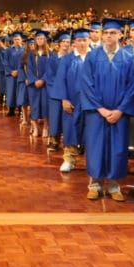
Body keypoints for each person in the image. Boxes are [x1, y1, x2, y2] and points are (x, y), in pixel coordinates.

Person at [80, 19, 134, 201]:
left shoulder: (128, 59)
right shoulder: (92, 57)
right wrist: (101, 109)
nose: (109, 36)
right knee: (96, 147)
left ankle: (114, 185)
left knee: (117, 148)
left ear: (120, 35)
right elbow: (87, 85)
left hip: (119, 114)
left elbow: (132, 87)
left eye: (113, 33)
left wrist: (120, 110)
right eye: (106, 33)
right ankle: (94, 184)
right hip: (97, 114)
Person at [52, 27, 91, 174]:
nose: (82, 43)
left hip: (90, 102)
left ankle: (91, 161)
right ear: (74, 42)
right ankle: (69, 159)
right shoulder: (68, 59)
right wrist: (64, 99)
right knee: (70, 129)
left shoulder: (94, 57)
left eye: (84, 40)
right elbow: (60, 79)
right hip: (72, 101)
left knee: (91, 131)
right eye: (79, 40)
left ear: (89, 40)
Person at [22, 29, 51, 138]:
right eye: (38, 38)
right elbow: (28, 69)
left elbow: (51, 70)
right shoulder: (30, 54)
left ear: (45, 40)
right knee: (34, 106)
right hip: (33, 85)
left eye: (42, 38)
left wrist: (43, 80)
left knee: (45, 105)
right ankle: (35, 127)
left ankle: (45, 127)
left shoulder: (49, 54)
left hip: (45, 85)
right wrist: (34, 80)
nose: (39, 40)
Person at [44, 32, 70, 152]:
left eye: (68, 42)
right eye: (63, 42)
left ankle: (69, 143)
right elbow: (50, 76)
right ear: (59, 44)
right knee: (55, 117)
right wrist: (59, 88)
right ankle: (55, 141)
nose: (66, 44)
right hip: (55, 92)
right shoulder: (53, 58)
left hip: (69, 94)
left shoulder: (71, 58)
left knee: (68, 118)